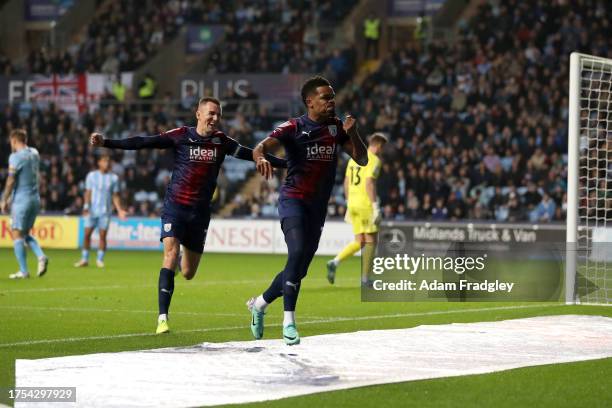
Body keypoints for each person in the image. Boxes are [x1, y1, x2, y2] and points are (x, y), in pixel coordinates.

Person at [90, 97, 285, 334]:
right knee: (170, 256)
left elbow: (248, 153)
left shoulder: (221, 142)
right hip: (175, 208)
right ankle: (162, 318)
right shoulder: (181, 135)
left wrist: (288, 163)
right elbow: (144, 142)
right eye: (211, 113)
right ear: (199, 114)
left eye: (218, 115)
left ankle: (180, 257)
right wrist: (107, 143)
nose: (215, 118)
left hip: (200, 214)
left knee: (188, 273)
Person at [247, 76, 368, 345]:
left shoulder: (337, 128)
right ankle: (288, 321)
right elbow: (261, 146)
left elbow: (362, 159)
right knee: (297, 252)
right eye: (326, 97)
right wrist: (260, 157)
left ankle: (259, 304)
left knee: (298, 270)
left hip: (317, 207)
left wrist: (353, 132)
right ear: (309, 102)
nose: (331, 102)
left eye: (333, 97)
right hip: (293, 200)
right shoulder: (293, 127)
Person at [326, 132, 387, 285]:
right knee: (372, 240)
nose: (382, 151)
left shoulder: (355, 158)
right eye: (383, 147)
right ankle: (365, 279)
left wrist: (348, 202)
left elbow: (346, 182)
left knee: (359, 241)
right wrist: (375, 206)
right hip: (365, 204)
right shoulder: (374, 160)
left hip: (353, 203)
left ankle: (335, 261)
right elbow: (369, 183)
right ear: (378, 145)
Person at [0, 129, 48, 279]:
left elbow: (11, 180)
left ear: (14, 141)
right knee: (25, 233)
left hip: (21, 200)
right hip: (35, 199)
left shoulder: (15, 157)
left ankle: (23, 270)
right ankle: (40, 256)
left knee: (16, 233)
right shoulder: (34, 153)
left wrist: (4, 199)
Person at [74, 154, 127, 268]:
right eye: (104, 161)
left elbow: (115, 196)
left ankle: (100, 259)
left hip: (105, 212)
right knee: (87, 234)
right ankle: (84, 259)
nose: (106, 163)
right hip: (92, 211)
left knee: (103, 236)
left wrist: (119, 210)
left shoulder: (114, 178)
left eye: (108, 161)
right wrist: (86, 207)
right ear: (99, 163)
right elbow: (88, 192)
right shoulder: (91, 176)